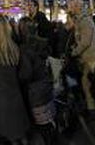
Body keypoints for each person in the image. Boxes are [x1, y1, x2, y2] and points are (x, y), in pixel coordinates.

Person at [17, 17, 56, 145]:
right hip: (46, 86)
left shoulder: (24, 49)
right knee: (49, 122)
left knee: (42, 127)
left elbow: (26, 74)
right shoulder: (42, 43)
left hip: (35, 93)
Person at [0, 15, 30, 144]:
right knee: (20, 135)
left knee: (9, 136)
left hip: (1, 104)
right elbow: (25, 74)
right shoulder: (15, 49)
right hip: (16, 98)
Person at [69, 0, 95, 113]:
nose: (70, 8)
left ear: (78, 7)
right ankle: (92, 108)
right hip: (87, 59)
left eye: (72, 6)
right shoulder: (79, 20)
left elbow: (85, 42)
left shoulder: (85, 21)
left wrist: (75, 52)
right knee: (87, 84)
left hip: (92, 59)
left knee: (92, 85)